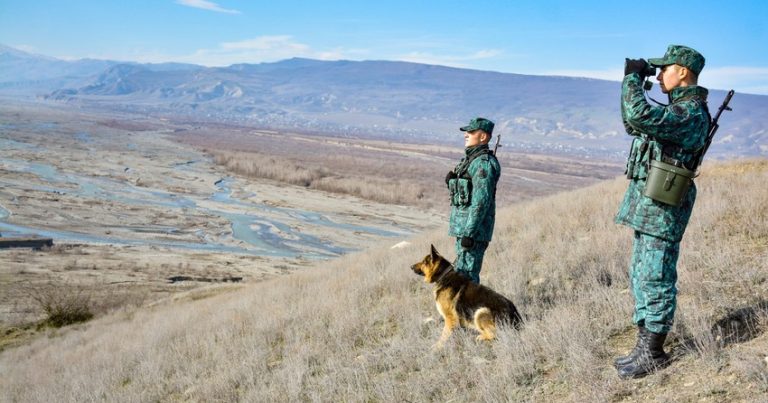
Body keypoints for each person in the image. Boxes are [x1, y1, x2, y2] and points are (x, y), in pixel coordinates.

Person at [614, 45, 710, 379]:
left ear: (683, 71)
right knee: (641, 273)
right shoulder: (676, 111)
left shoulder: (691, 113)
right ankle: (643, 346)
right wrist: (633, 86)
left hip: (664, 208)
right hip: (650, 206)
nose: (657, 75)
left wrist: (631, 80)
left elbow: (640, 115)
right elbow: (632, 121)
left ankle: (654, 352)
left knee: (656, 276)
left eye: (663, 69)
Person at [445, 117, 501, 284]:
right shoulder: (471, 161)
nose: (466, 135)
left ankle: (471, 310)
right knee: (461, 276)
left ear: (483, 137)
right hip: (464, 230)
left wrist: (469, 234)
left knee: (467, 279)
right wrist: (452, 182)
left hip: (473, 234)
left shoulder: (483, 164)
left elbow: (480, 202)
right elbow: (466, 195)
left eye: (471, 132)